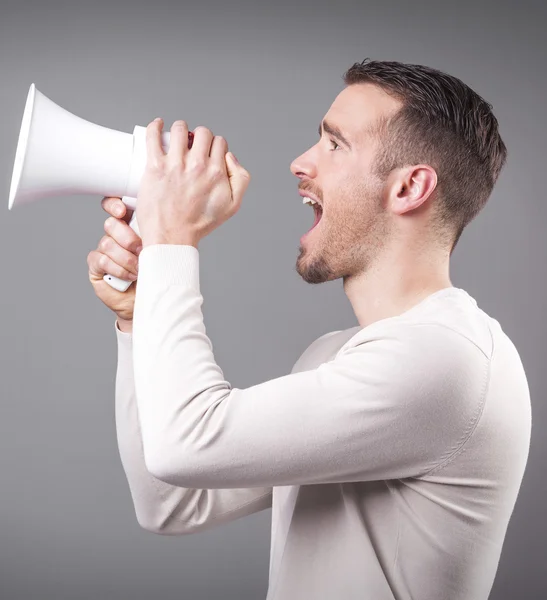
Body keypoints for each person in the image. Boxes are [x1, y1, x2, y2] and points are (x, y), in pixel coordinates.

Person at [87, 59, 531, 600]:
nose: (300, 162)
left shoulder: (447, 360)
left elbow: (184, 446)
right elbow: (174, 502)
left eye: (335, 144)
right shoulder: (337, 356)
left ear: (410, 187)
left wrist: (171, 238)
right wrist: (137, 318)